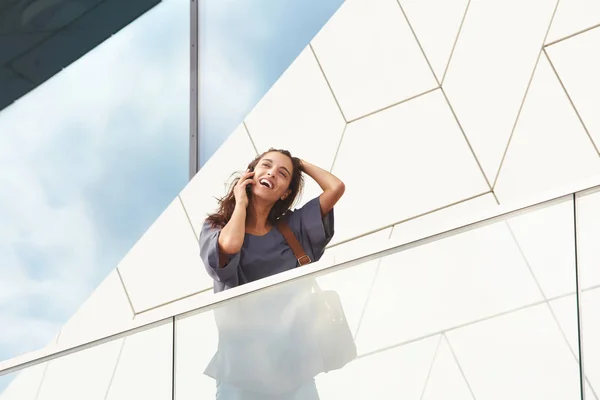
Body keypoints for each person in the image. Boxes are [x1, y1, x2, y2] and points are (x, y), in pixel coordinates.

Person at [199, 148, 345, 400]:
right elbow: (230, 246)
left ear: (286, 192)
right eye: (266, 166)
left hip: (294, 372)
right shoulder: (217, 226)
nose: (272, 173)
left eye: (282, 173)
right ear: (250, 174)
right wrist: (241, 203)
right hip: (239, 373)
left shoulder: (293, 229)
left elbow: (335, 188)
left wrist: (298, 164)